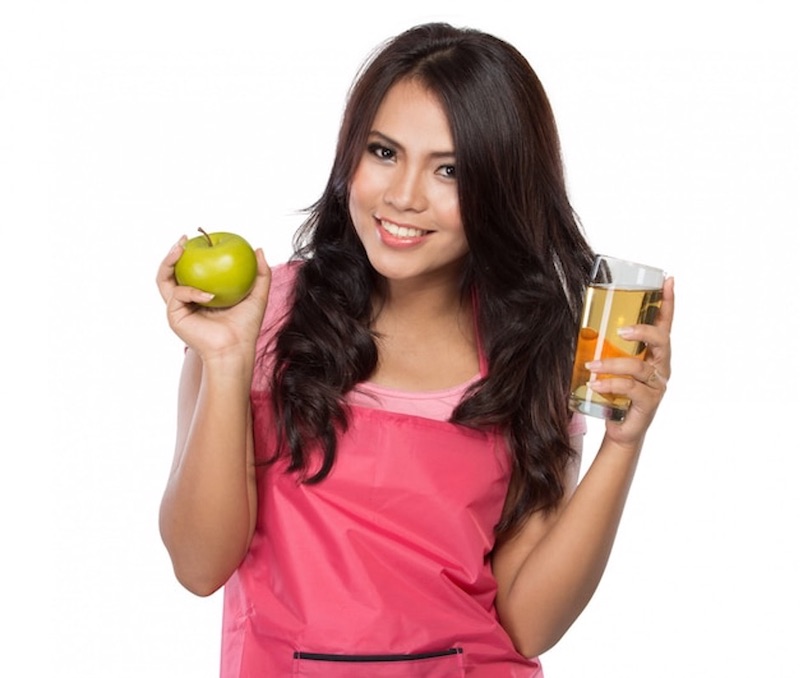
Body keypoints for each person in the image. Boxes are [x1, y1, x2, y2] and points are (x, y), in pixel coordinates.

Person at [156, 22, 674, 677]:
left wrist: (622, 446)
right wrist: (226, 364)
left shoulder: (531, 350)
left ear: (503, 186)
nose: (402, 196)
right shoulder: (261, 318)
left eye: (450, 170)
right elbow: (199, 567)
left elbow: (531, 621)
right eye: (383, 152)